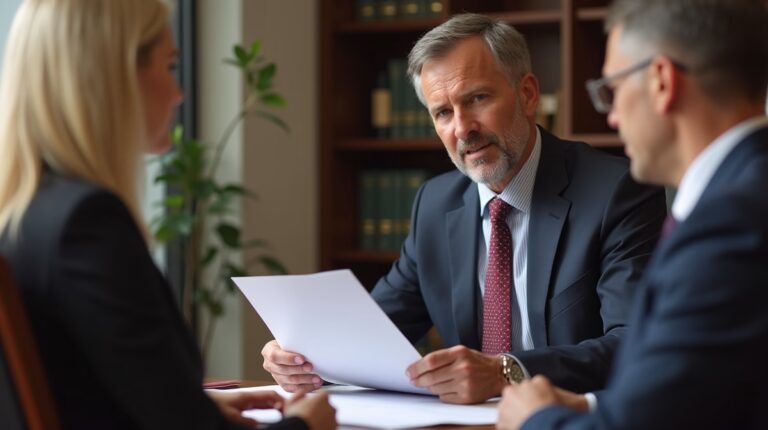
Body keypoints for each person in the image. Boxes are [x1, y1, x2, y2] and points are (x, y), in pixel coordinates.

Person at [262, 13, 667, 404]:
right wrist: (303, 358)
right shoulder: (435, 205)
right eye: (442, 113)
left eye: (477, 98)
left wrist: (505, 371)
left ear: (527, 94)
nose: (462, 128)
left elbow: (631, 343)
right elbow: (373, 333)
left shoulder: (616, 191)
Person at [0, 1, 336, 429]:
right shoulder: (87, 225)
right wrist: (307, 424)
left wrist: (198, 410)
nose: (179, 93)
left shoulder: (25, 216)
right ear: (115, 77)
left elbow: (82, 395)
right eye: (171, 66)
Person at [497, 0, 768, 428]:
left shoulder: (729, 225)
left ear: (662, 81)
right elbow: (705, 393)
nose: (612, 117)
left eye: (612, 90)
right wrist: (589, 407)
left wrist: (536, 419)